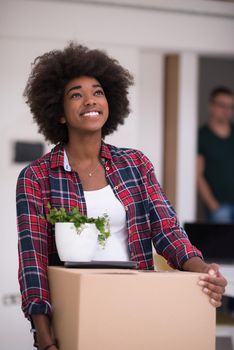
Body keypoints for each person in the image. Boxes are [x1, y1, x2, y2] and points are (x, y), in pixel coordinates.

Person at [16, 43, 227, 350]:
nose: (90, 99)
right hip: (75, 310)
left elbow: (167, 230)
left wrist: (202, 269)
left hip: (136, 303)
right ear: (59, 113)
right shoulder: (37, 176)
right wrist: (44, 337)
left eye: (98, 92)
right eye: (76, 94)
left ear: (110, 101)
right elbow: (32, 260)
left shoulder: (135, 163)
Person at [197, 86, 234, 222]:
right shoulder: (202, 136)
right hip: (220, 208)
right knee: (223, 243)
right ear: (211, 106)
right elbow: (198, 175)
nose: (227, 111)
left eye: (230, 107)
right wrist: (213, 206)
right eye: (222, 105)